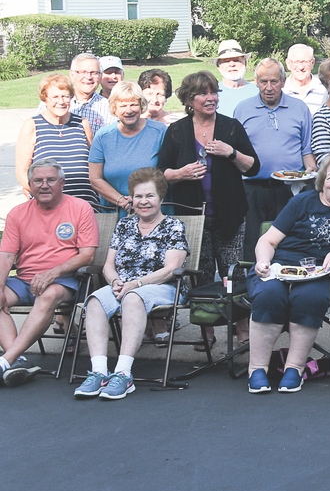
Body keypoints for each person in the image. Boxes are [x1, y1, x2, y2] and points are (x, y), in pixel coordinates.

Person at [246, 151, 330, 394]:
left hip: (324, 270)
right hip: (281, 263)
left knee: (310, 297)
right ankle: (257, 368)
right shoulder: (301, 202)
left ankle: (295, 368)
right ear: (321, 180)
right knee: (269, 293)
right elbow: (267, 241)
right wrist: (262, 262)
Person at [158, 71, 259, 347]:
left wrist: (231, 152)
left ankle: (242, 330)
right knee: (199, 275)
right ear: (190, 99)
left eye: (214, 92)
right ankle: (207, 332)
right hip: (192, 217)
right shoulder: (177, 131)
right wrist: (181, 174)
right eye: (203, 93)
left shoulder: (231, 127)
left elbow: (254, 166)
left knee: (233, 273)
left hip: (230, 213)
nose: (210, 98)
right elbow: (160, 173)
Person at [72, 168, 187, 401]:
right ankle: (99, 372)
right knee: (94, 301)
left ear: (161, 198)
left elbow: (170, 270)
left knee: (133, 299)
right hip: (123, 285)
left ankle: (124, 374)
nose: (143, 201)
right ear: (132, 199)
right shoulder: (124, 226)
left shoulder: (174, 226)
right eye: (138, 196)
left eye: (149, 196)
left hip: (161, 287)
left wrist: (135, 284)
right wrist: (114, 281)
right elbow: (108, 265)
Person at [0, 159, 98, 386]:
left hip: (65, 281)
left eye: (50, 180)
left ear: (62, 182)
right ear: (30, 184)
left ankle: (6, 360)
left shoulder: (80, 208)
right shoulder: (17, 213)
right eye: (38, 180)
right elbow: (5, 255)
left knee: (48, 295)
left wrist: (52, 273)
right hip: (24, 279)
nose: (44, 185)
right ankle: (18, 360)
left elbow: (87, 256)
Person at [235, 58, 316, 253]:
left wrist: (311, 169)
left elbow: (306, 149)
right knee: (253, 242)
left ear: (283, 81)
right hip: (253, 188)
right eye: (264, 82)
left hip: (290, 189)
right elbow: (235, 152)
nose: (269, 87)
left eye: (274, 81)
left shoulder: (300, 109)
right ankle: (254, 281)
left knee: (290, 240)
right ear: (256, 82)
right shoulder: (243, 110)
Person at [16, 74, 98, 206]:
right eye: (55, 97)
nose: (61, 101)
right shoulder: (32, 125)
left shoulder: (82, 124)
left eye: (65, 96)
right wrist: (43, 194)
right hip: (48, 206)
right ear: (44, 99)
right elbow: (22, 171)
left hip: (85, 204)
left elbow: (95, 164)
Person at [88, 81, 168, 213]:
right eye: (123, 105)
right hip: (115, 212)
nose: (129, 110)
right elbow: (95, 178)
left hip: (153, 212)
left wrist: (142, 201)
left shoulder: (160, 132)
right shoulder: (103, 136)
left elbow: (167, 172)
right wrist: (121, 200)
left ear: (141, 105)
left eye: (133, 104)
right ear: (114, 108)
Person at [67, 52, 115, 132]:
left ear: (100, 77)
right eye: (83, 72)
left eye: (94, 73)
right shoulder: (55, 104)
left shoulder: (109, 108)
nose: (89, 77)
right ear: (72, 75)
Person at [213, 39, 258, 117]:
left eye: (236, 60)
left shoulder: (258, 92)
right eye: (226, 61)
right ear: (218, 66)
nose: (232, 64)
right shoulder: (212, 94)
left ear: (245, 63)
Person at [283, 43, 327, 114]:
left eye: (305, 62)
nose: (301, 67)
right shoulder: (281, 90)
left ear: (312, 63)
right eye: (296, 62)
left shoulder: (324, 89)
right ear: (288, 64)